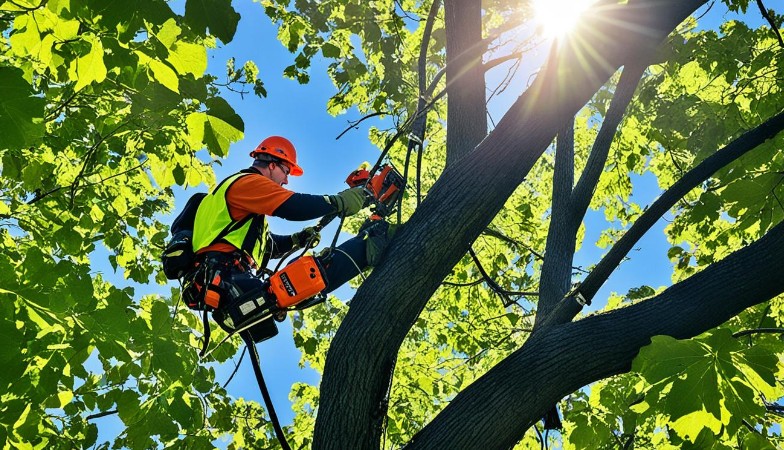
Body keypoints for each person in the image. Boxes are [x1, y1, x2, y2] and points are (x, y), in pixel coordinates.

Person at [184, 135, 393, 343]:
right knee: (309, 277)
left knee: (298, 283)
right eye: (286, 172)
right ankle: (370, 244)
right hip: (226, 276)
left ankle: (369, 243)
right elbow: (293, 206)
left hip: (224, 276)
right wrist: (337, 201)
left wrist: (297, 239)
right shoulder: (246, 183)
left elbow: (265, 245)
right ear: (273, 164)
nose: (285, 180)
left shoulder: (231, 203)